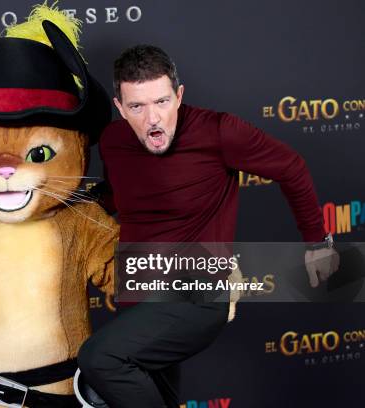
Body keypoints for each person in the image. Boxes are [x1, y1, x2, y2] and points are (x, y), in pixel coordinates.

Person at [77, 45, 339, 408]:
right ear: (120, 107)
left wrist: (317, 243)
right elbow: (118, 197)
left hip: (197, 292)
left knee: (99, 358)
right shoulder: (113, 142)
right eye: (137, 106)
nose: (152, 118)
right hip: (137, 292)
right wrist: (69, 203)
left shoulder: (219, 132)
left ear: (179, 96)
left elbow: (291, 167)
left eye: (162, 101)